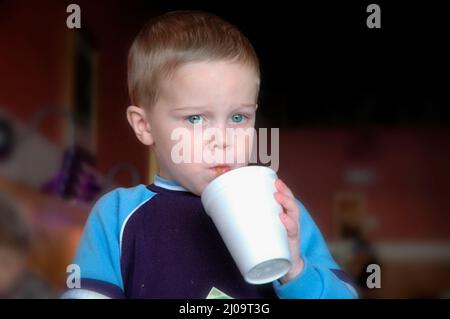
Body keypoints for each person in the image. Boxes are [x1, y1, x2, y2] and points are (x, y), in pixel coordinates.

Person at [63, 10, 357, 299]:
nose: (223, 140)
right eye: (195, 119)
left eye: (238, 118)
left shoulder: (282, 212)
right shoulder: (116, 216)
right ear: (145, 125)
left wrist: (295, 270)